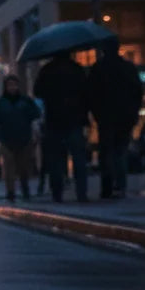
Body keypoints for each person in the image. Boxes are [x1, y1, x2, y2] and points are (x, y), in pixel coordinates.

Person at [87, 38, 143, 199]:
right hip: (125, 116)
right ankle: (121, 184)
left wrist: (95, 113)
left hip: (106, 117)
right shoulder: (128, 68)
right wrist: (134, 112)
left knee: (107, 152)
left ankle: (107, 186)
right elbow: (138, 92)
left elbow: (91, 95)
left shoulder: (98, 69)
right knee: (121, 151)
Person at [33, 50, 90, 203]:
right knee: (79, 159)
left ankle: (57, 193)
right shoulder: (77, 69)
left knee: (55, 160)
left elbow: (37, 92)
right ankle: (81, 192)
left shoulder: (47, 71)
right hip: (74, 119)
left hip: (54, 120)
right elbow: (86, 93)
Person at [0, 74, 41, 201]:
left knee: (23, 167)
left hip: (24, 138)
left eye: (14, 85)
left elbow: (36, 115)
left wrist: (35, 131)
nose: (12, 88)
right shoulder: (0, 103)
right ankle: (10, 192)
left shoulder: (25, 101)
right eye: (10, 85)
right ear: (5, 87)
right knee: (9, 167)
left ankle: (25, 188)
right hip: (6, 139)